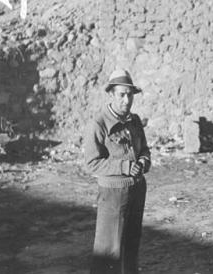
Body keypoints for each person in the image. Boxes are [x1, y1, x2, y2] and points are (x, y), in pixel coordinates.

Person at [84, 69, 151, 274]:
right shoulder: (99, 123)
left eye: (130, 94)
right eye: (121, 94)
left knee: (131, 246)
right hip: (113, 195)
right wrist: (124, 167)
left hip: (137, 191)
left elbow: (145, 151)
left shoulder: (135, 121)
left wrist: (142, 161)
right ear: (111, 94)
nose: (127, 100)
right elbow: (92, 163)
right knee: (108, 252)